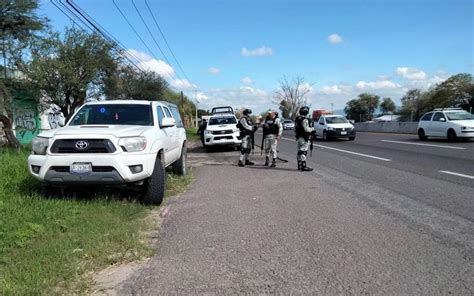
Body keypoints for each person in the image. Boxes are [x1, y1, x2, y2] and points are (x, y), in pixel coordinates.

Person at [294, 106, 315, 171]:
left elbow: (295, 129)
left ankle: (299, 165)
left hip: (298, 137)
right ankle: (303, 166)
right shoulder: (305, 120)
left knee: (299, 151)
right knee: (303, 152)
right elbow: (306, 129)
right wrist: (312, 129)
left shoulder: (297, 119)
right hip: (304, 137)